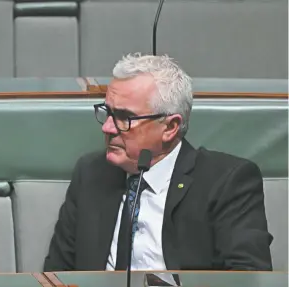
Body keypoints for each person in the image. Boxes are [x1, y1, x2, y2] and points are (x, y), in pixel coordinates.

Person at [44, 53, 273, 272]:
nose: (107, 128)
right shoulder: (91, 173)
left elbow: (247, 280)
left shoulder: (226, 182)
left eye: (125, 117)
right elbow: (57, 275)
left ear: (170, 127)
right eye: (108, 113)